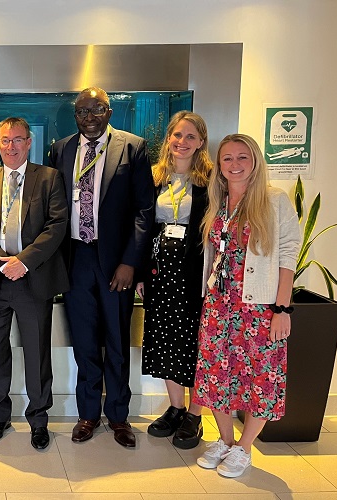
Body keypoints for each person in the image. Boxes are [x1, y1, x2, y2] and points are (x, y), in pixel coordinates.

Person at [49, 87, 155, 448]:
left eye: (97, 109)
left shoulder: (133, 147)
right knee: (85, 342)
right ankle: (88, 414)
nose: (89, 117)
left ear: (109, 112)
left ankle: (119, 417)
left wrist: (131, 263)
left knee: (117, 339)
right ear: (74, 115)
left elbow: (144, 210)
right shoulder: (61, 149)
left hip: (115, 262)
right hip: (75, 258)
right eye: (82, 111)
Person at [194, 134, 299, 478]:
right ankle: (225, 441)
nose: (234, 165)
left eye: (242, 157)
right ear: (219, 165)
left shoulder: (273, 200)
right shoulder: (218, 200)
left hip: (258, 308)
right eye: (227, 159)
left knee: (260, 379)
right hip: (218, 305)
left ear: (255, 161)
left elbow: (287, 255)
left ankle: (244, 447)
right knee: (215, 375)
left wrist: (282, 310)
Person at [0, 117, 68, 450]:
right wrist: (1, 262)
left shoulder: (50, 178)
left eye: (18, 140)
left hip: (34, 280)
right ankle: (0, 415)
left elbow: (56, 226)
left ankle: (39, 419)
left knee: (37, 353)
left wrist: (23, 261)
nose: (12, 146)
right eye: (5, 141)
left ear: (29, 142)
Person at [135, 111, 212, 449]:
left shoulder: (212, 181)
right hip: (159, 271)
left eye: (190, 137)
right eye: (177, 135)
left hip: (195, 273)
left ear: (201, 142)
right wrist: (139, 271)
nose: (182, 142)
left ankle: (195, 415)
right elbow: (140, 227)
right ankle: (176, 408)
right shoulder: (154, 177)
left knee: (195, 341)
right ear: (168, 138)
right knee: (165, 337)